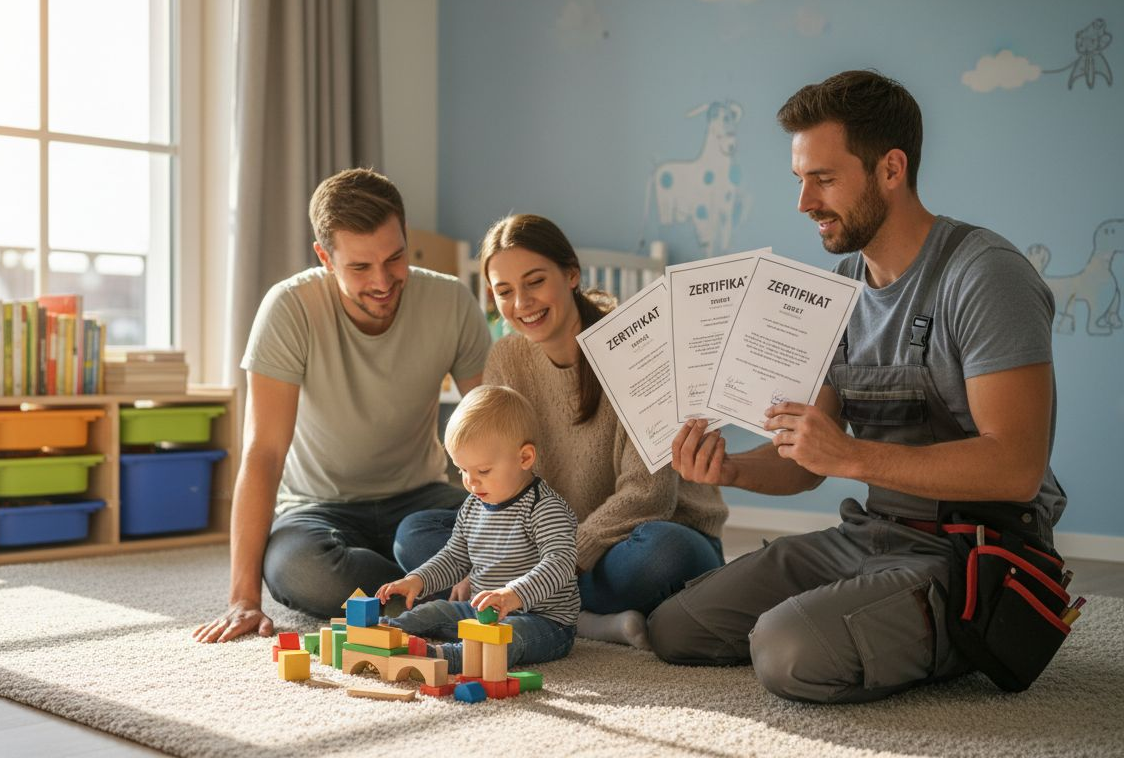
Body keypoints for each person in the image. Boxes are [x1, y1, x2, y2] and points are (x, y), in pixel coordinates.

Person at [648, 70, 1066, 703]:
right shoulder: (836, 293)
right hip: (872, 534)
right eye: (800, 180)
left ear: (890, 169)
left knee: (784, 649)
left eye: (824, 179)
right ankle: (876, 619)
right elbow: (805, 465)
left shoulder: (985, 276)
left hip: (974, 553)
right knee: (675, 628)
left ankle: (955, 635)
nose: (804, 202)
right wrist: (727, 468)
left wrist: (850, 455)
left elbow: (1016, 468)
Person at [394, 214, 728, 651]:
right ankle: (578, 616)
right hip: (544, 547)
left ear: (571, 275)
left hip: (644, 535)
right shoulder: (506, 359)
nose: (522, 303)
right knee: (416, 534)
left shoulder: (636, 349)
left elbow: (650, 496)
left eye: (535, 282)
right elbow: (496, 479)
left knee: (664, 554)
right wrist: (491, 555)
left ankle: (541, 606)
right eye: (504, 291)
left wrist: (550, 562)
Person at [193, 168, 492, 642]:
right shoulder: (289, 308)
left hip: (421, 498)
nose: (383, 281)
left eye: (395, 258)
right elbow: (264, 454)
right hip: (316, 508)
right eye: (360, 267)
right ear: (324, 258)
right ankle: (450, 599)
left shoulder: (451, 302)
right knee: (301, 570)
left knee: (468, 540)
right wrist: (244, 600)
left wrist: (494, 542)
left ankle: (435, 594)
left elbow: (493, 427)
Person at [376, 384, 579, 673]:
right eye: (462, 470)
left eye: (483, 471)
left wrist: (513, 595)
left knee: (507, 638)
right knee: (433, 611)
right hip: (482, 612)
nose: (471, 482)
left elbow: (560, 564)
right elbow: (454, 557)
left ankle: (454, 656)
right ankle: (388, 631)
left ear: (524, 458)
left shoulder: (543, 507)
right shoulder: (472, 505)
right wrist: (417, 580)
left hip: (544, 620)